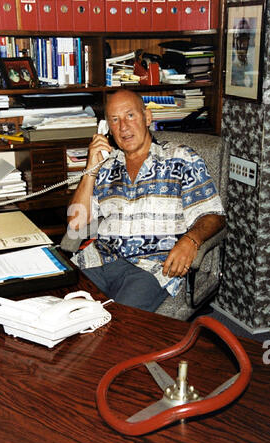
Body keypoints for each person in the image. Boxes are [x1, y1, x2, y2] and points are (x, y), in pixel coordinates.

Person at [67, 89, 225, 312]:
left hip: (150, 268)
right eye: (115, 120)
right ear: (107, 128)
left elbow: (214, 215)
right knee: (60, 311)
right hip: (99, 261)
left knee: (114, 325)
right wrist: (90, 170)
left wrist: (192, 239)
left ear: (147, 117)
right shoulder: (105, 165)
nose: (123, 127)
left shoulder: (180, 158)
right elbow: (75, 226)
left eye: (130, 115)